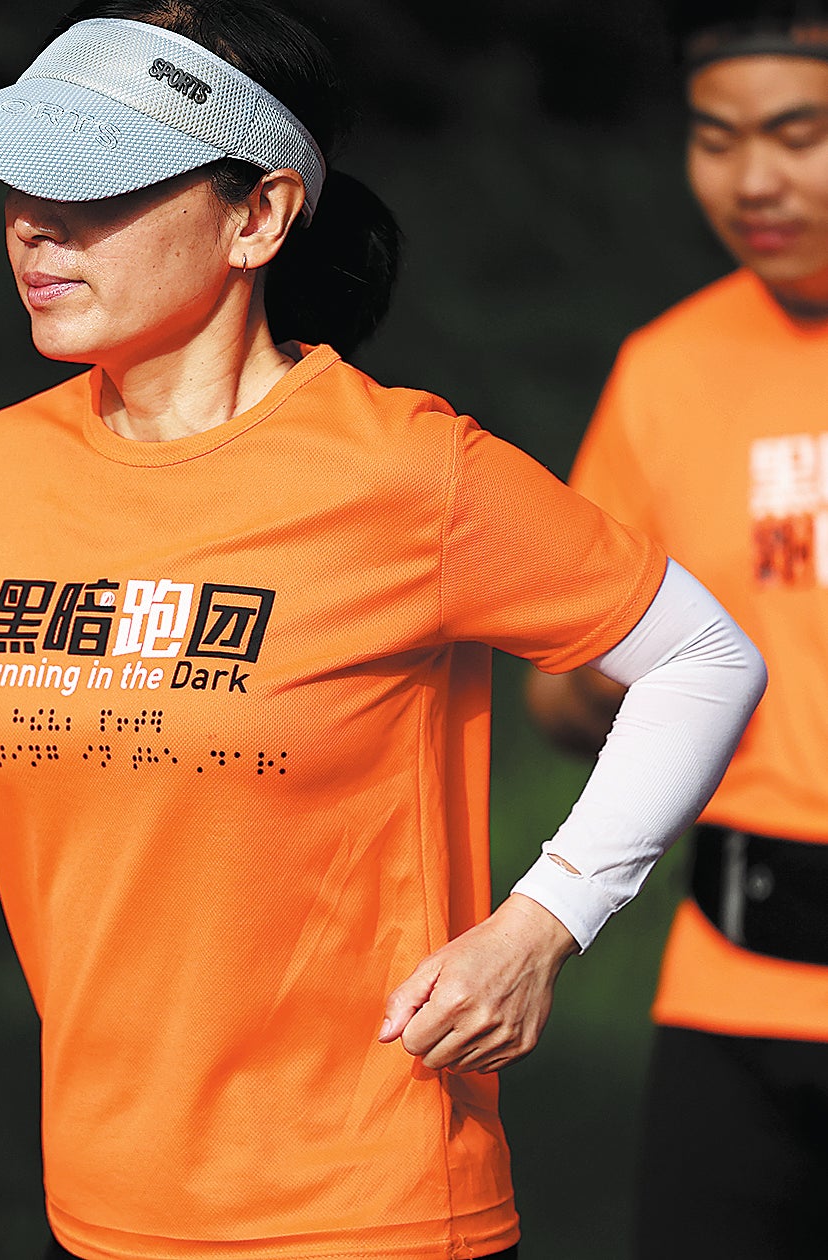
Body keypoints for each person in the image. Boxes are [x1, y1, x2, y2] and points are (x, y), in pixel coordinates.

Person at [0, 2, 770, 1258]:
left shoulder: (405, 470)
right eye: (23, 181)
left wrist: (546, 921)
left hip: (369, 1209)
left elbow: (702, 656)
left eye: (95, 185)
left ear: (258, 216)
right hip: (101, 1208)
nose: (37, 223)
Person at [522, 3, 828, 1255]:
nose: (754, 180)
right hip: (733, 987)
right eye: (715, 138)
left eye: (801, 135)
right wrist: (623, 678)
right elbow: (557, 694)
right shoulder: (666, 367)